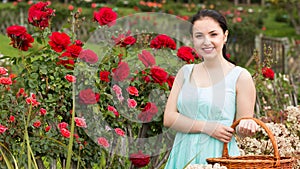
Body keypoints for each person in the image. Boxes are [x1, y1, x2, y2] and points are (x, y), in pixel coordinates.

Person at [163, 9, 258, 168]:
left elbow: (241, 129)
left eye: (213, 34)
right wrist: (207, 127)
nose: (206, 41)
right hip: (182, 155)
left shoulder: (240, 77)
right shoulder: (185, 72)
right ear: (192, 39)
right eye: (199, 36)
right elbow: (169, 118)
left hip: (218, 157)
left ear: (225, 36)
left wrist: (247, 125)